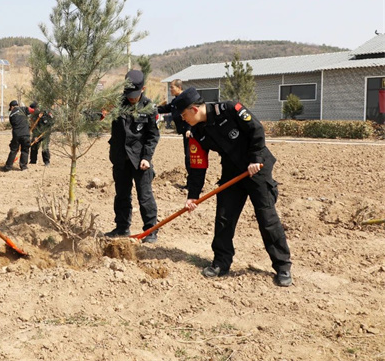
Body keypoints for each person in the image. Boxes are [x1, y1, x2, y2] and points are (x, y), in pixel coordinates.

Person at [173, 87, 293, 287]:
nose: (183, 119)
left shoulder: (229, 109)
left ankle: (282, 266)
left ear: (194, 109)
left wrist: (255, 158)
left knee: (267, 218)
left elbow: (256, 129)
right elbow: (198, 167)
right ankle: (221, 262)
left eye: (184, 115)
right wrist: (193, 195)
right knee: (224, 218)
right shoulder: (196, 133)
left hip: (256, 168)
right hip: (232, 172)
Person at [105, 69, 160, 244]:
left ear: (143, 89)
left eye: (134, 95)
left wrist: (147, 157)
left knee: (145, 196)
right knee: (122, 195)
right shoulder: (116, 104)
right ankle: (122, 227)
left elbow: (153, 136)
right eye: (129, 94)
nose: (131, 98)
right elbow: (100, 114)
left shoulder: (149, 107)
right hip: (120, 158)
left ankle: (150, 230)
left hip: (140, 159)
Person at [157, 80, 192, 188]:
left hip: (191, 133)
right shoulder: (175, 101)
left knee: (190, 158)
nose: (170, 89)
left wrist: (189, 129)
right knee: (188, 158)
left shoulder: (185, 99)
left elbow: (192, 113)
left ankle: (194, 185)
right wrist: (152, 109)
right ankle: (191, 184)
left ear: (179, 87)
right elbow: (166, 108)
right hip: (185, 133)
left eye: (172, 87)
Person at [2, 100, 31, 171]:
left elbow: (13, 125)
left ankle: (8, 167)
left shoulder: (11, 115)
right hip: (25, 134)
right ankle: (23, 166)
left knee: (14, 150)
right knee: (25, 150)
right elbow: (31, 111)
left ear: (12, 107)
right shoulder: (23, 109)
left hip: (16, 135)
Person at [29, 102, 53, 166]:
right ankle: (33, 161)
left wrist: (45, 132)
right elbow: (34, 127)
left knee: (44, 147)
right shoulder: (34, 116)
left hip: (45, 133)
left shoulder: (46, 114)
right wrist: (35, 136)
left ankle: (46, 161)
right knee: (34, 146)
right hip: (37, 134)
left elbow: (50, 124)